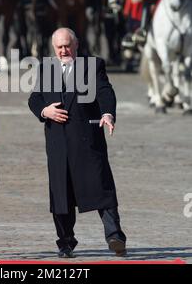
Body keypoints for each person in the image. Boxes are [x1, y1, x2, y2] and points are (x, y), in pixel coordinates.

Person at [28, 28, 126, 258]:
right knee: (61, 196)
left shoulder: (93, 65)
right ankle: (65, 242)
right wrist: (45, 110)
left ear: (76, 44)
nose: (64, 51)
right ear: (54, 48)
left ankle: (115, 236)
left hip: (86, 139)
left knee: (102, 188)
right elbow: (35, 98)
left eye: (67, 46)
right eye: (59, 47)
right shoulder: (47, 68)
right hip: (58, 143)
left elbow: (105, 91)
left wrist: (108, 114)